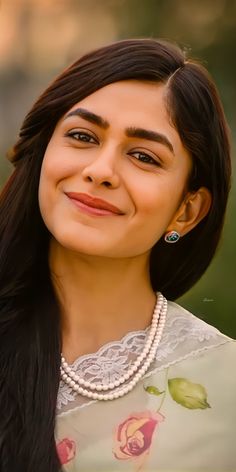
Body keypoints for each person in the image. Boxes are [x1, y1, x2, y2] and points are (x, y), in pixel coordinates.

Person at [0, 38, 235, 472]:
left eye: (143, 156)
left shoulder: (226, 390)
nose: (101, 170)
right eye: (82, 136)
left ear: (187, 210)